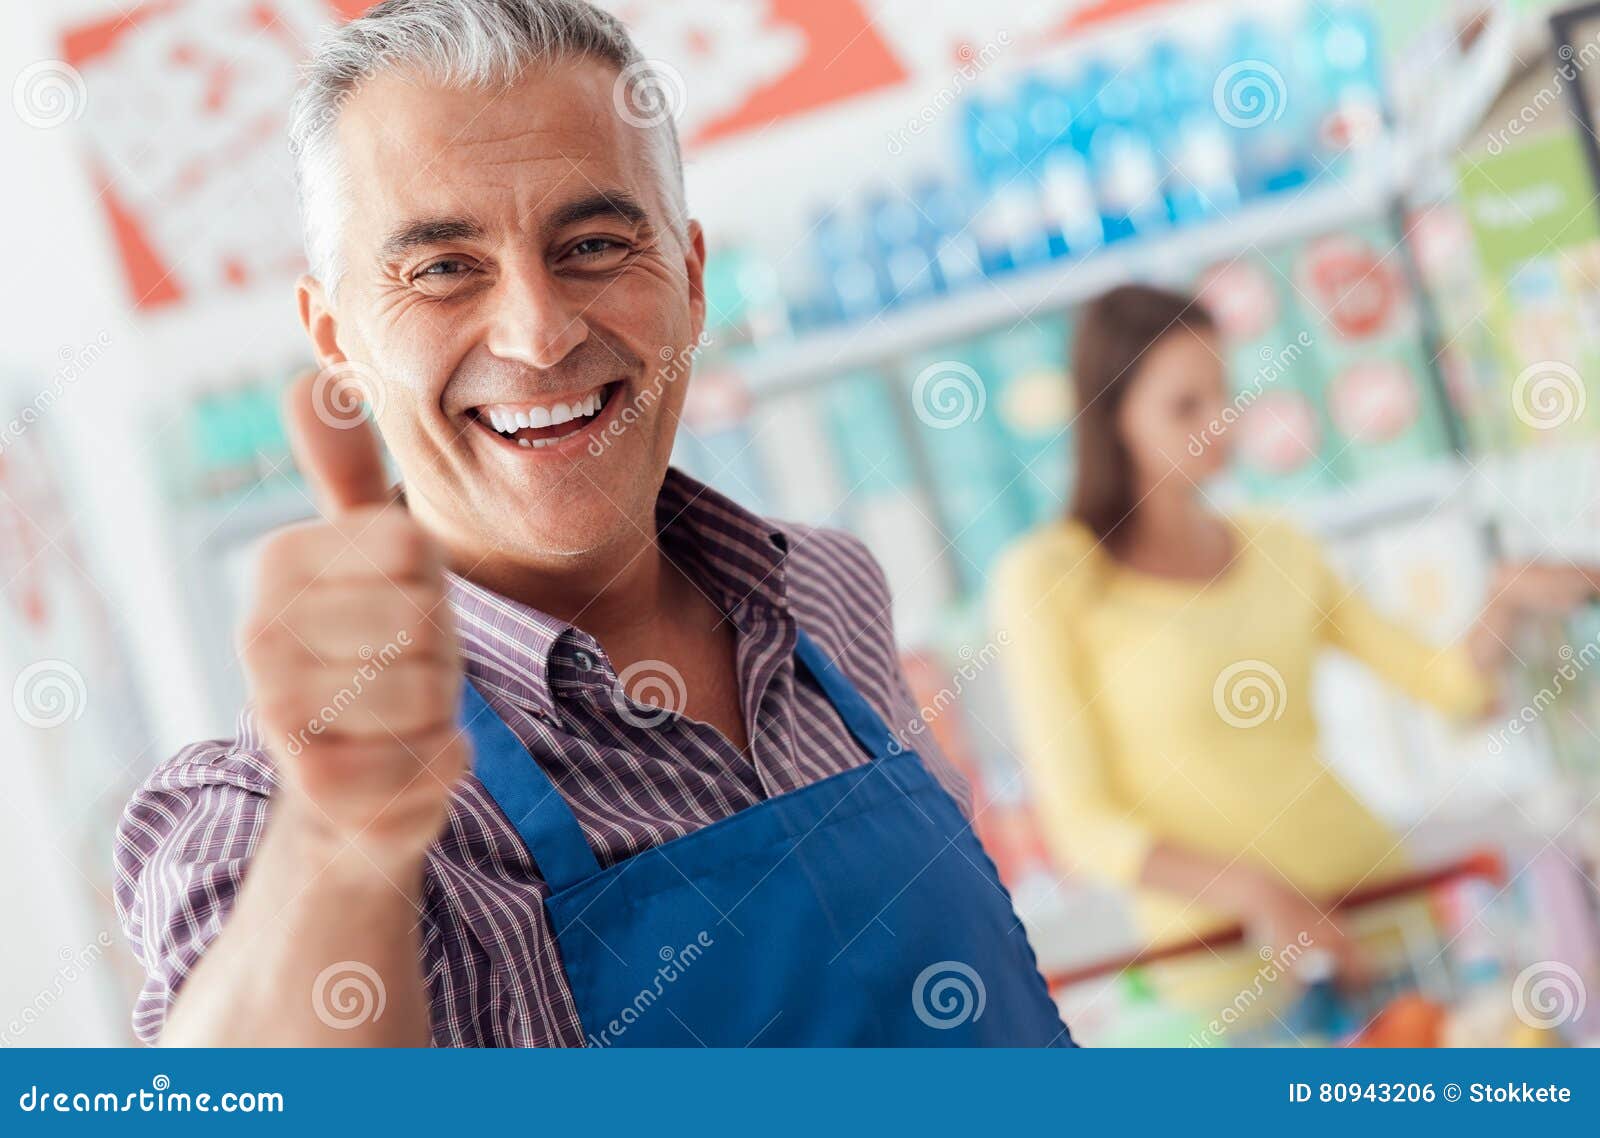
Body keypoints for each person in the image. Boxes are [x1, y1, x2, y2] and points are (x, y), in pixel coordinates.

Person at [113, 0, 1068, 1048]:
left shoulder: (828, 591)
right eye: (441, 268)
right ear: (335, 337)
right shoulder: (262, 809)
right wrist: (340, 847)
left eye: (594, 243)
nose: (537, 330)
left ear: (693, 281)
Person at [991, 283, 1597, 980]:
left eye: (1224, 395)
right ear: (1114, 416)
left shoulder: (1279, 545)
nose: (1219, 423)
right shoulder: (1049, 577)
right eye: (1186, 406)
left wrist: (1506, 597)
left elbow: (1449, 687)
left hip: (1385, 912)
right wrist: (1262, 898)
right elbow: (1083, 825)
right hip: (1226, 969)